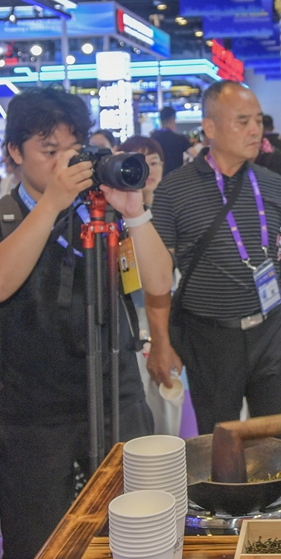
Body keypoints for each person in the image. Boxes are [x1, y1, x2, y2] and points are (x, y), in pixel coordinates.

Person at [0, 88, 171, 559]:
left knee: (139, 546)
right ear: (14, 152)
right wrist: (53, 203)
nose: (63, 163)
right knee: (38, 557)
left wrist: (134, 211)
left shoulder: (105, 216)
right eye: (48, 150)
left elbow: (160, 283)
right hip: (35, 416)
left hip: (118, 399)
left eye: (71, 150)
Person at [150, 80, 281, 435]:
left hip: (271, 329)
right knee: (220, 443)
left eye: (258, 120)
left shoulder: (274, 184)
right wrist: (161, 343)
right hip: (210, 339)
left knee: (276, 440)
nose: (255, 130)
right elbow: (158, 280)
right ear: (210, 128)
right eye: (243, 121)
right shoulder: (174, 190)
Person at [119, 135, 182, 436]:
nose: (148, 170)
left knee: (169, 406)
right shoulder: (119, 218)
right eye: (139, 162)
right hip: (134, 323)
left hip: (171, 320)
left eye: (154, 162)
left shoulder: (173, 210)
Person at [151, 106, 190, 175]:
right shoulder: (180, 139)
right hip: (176, 177)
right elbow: (194, 154)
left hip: (159, 176)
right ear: (172, 120)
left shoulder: (152, 139)